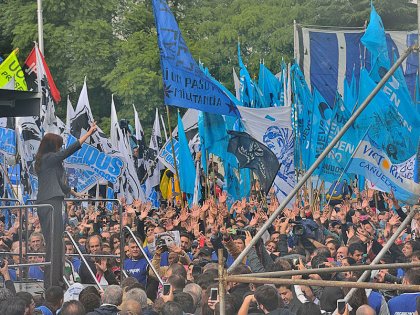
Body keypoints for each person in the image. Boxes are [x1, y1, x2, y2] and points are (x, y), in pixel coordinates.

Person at [35, 123, 97, 288]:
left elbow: (61, 185)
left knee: (58, 243)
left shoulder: (50, 163)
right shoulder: (48, 158)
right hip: (50, 203)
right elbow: (69, 151)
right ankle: (51, 282)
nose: (60, 148)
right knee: (54, 243)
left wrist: (75, 193)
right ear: (52, 146)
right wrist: (88, 132)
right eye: (59, 145)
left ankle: (57, 278)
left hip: (54, 201)